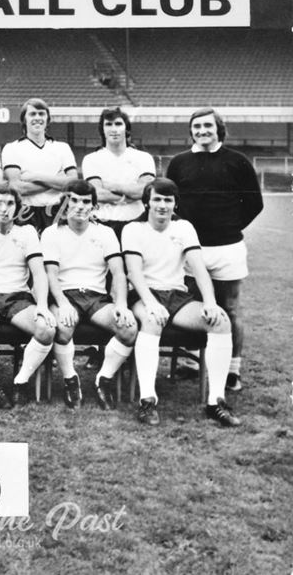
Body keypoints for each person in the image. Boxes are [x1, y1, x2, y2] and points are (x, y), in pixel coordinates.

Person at [122, 178, 240, 427]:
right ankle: (147, 401)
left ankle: (216, 401)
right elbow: (134, 273)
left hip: (177, 295)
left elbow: (199, 269)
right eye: (157, 199)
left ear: (175, 204)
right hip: (144, 294)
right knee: (152, 321)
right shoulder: (133, 229)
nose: (162, 205)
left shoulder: (184, 227)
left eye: (168, 200)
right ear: (146, 202)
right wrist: (151, 303)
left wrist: (210, 301)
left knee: (220, 322)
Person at [166, 108, 263, 392]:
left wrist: (228, 227)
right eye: (196, 126)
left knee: (230, 308)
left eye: (208, 125)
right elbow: (173, 204)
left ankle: (233, 370)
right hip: (190, 251)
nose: (202, 130)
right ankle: (193, 362)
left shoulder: (238, 161)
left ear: (218, 128)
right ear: (191, 131)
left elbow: (255, 204)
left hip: (228, 248)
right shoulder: (179, 162)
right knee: (190, 307)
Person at [41, 180, 137, 410]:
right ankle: (70, 380)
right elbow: (50, 275)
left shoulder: (105, 233)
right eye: (74, 200)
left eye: (86, 202)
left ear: (94, 207)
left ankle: (104, 379)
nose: (80, 206)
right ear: (65, 203)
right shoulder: (51, 233)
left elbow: (118, 272)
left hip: (96, 297)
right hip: (65, 295)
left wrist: (122, 304)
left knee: (128, 328)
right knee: (62, 327)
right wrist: (62, 304)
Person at [0, 185, 56, 408]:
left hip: (18, 299)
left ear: (17, 208)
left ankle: (21, 381)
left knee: (46, 329)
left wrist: (43, 305)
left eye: (9, 203)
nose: (3, 208)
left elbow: (38, 272)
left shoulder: (27, 232)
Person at [2, 98, 78, 232]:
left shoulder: (62, 148)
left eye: (41, 114)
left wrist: (34, 176)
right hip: (26, 213)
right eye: (32, 114)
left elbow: (73, 183)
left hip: (57, 211)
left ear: (48, 119)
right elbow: (18, 188)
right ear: (24, 119)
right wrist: (57, 180)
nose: (37, 118)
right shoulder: (12, 148)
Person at [81, 107, 156, 238]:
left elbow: (144, 192)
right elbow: (98, 194)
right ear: (102, 129)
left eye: (118, 124)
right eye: (108, 124)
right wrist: (127, 196)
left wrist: (112, 186)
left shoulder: (144, 158)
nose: (114, 129)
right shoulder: (91, 159)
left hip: (137, 222)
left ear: (126, 128)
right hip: (102, 222)